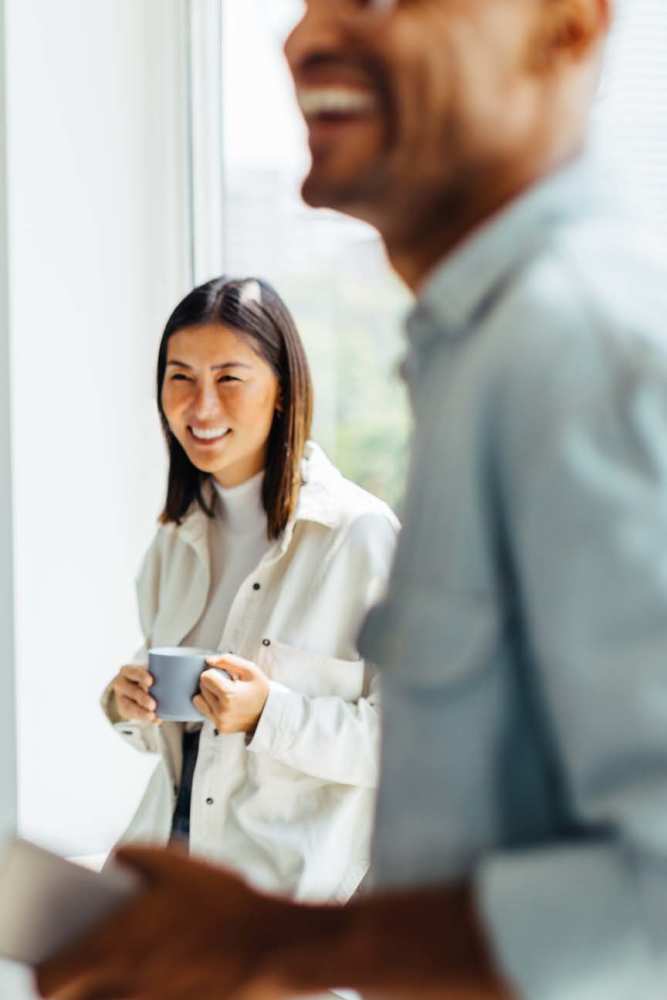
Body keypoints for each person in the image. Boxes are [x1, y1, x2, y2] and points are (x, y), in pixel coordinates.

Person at [37, 0, 667, 997]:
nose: (302, 37)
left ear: (568, 26)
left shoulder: (587, 356)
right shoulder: (478, 360)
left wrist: (282, 947)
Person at [101, 274, 398, 906]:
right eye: (180, 377)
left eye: (229, 379)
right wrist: (128, 705)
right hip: (168, 874)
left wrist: (270, 713)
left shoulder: (358, 536)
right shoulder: (173, 542)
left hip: (283, 906)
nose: (200, 407)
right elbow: (188, 744)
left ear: (283, 392)